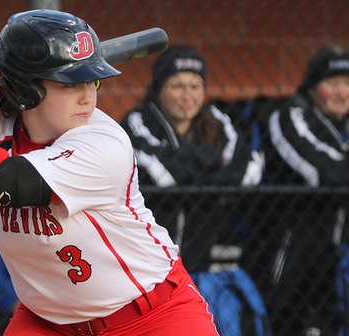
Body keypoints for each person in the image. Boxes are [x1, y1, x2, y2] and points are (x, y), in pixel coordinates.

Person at [0, 9, 219, 336]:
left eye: (92, 80)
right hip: (49, 322)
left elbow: (6, 181)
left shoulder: (104, 142)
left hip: (151, 316)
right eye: (71, 83)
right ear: (26, 91)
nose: (88, 96)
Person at [120, 46, 263, 274]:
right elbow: (162, 176)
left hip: (202, 252)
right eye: (177, 86)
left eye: (195, 86)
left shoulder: (218, 120)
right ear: (159, 90)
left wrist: (187, 168)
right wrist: (213, 164)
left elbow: (250, 170)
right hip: (147, 257)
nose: (187, 96)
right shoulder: (138, 121)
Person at [256, 44, 349, 336]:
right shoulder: (288, 118)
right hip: (294, 252)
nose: (343, 93)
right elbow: (326, 174)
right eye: (332, 84)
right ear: (312, 88)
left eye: (348, 84)